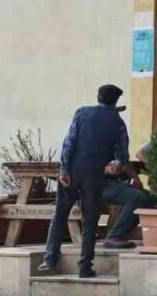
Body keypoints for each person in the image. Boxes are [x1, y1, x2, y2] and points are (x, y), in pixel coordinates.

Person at [40, 84, 130, 277]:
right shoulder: (118, 122)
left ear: (98, 97)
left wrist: (64, 170)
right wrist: (114, 165)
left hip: (73, 171)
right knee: (90, 222)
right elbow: (122, 155)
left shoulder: (81, 113)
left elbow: (69, 143)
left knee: (59, 215)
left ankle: (49, 259)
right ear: (116, 101)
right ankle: (85, 267)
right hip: (95, 175)